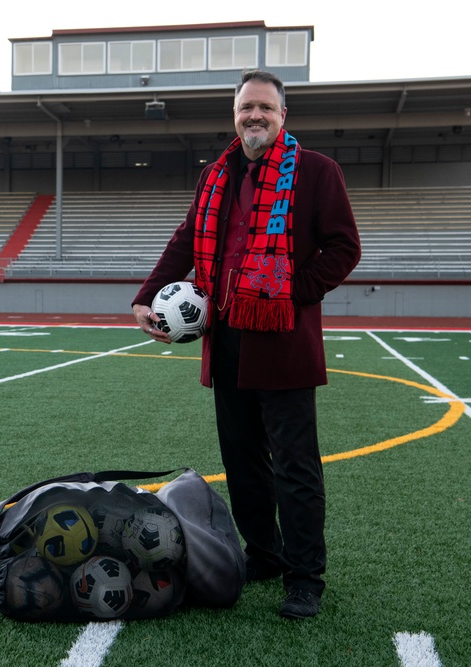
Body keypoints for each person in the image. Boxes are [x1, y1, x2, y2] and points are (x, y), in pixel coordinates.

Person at [132, 69, 360, 619]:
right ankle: (266, 553)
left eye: (265, 107)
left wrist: (291, 293)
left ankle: (306, 576)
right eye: (245, 108)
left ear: (284, 116)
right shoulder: (216, 175)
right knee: (242, 461)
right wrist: (145, 296)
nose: (254, 116)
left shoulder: (315, 172)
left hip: (283, 341)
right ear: (235, 115)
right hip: (226, 339)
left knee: (295, 466)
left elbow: (344, 247)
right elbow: (186, 238)